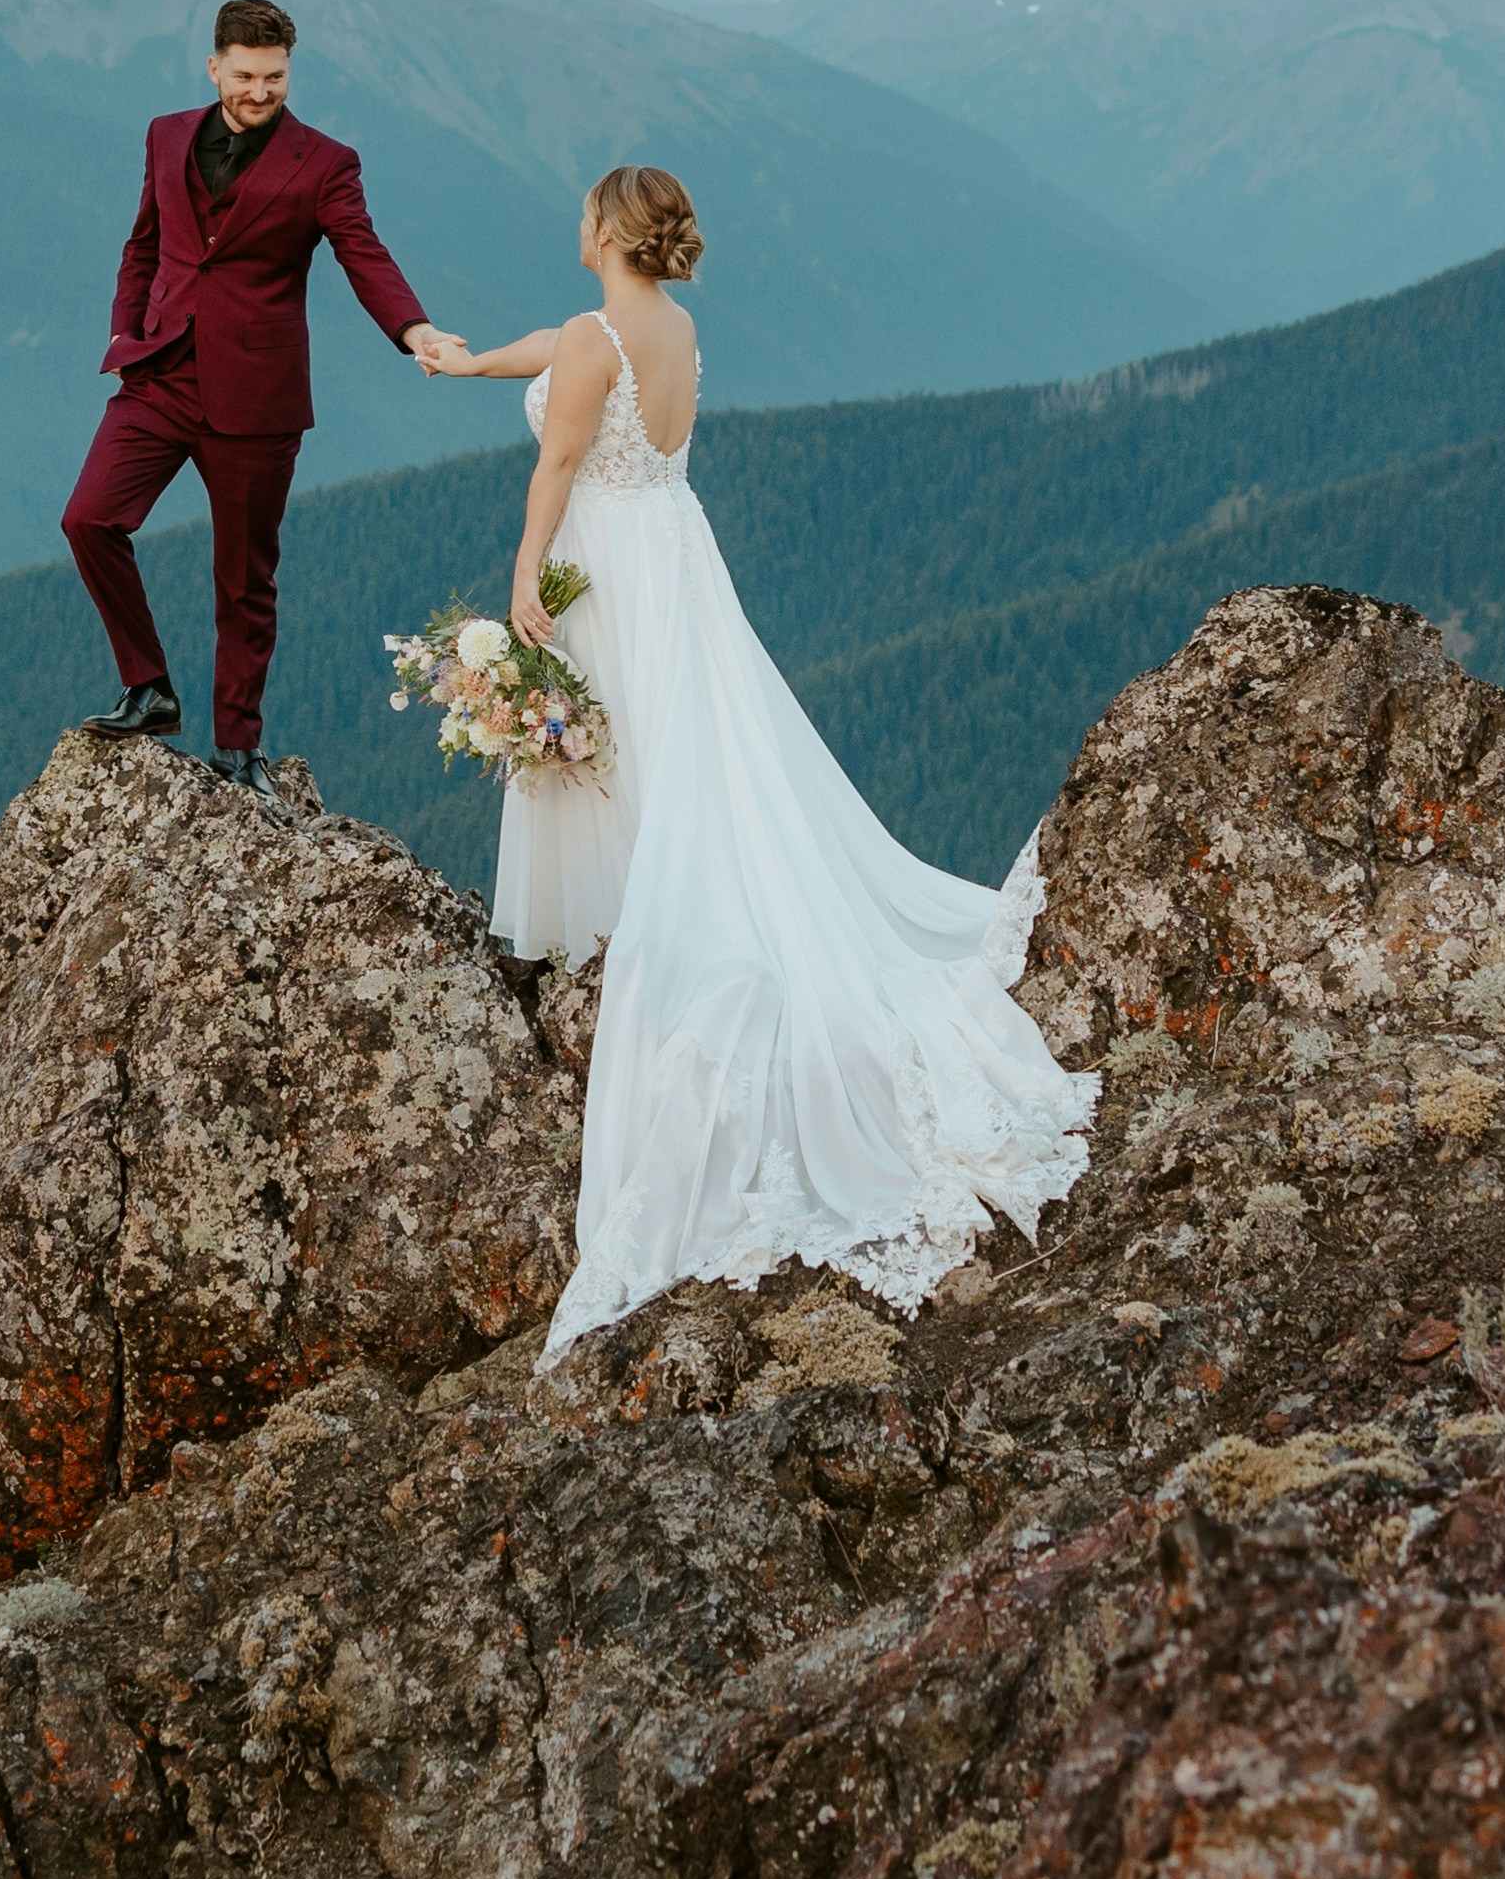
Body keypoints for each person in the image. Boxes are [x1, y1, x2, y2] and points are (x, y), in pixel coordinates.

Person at [423, 165, 1092, 1356]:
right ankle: (658, 905)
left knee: (629, 741)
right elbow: (558, 356)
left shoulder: (595, 336)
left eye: (587, 213)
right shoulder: (666, 326)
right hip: (676, 551)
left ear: (609, 232)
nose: (575, 226)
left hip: (611, 565)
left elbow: (560, 462)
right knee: (693, 746)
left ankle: (649, 929)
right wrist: (467, 360)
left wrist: (525, 574)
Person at [65, 0, 464, 785]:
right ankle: (148, 688)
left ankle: (238, 745)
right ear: (214, 67)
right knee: (88, 519)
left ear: (290, 70)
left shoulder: (324, 162)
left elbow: (363, 253)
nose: (259, 91)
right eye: (245, 75)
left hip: (257, 397)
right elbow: (142, 244)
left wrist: (414, 330)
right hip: (159, 374)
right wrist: (123, 335)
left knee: (243, 580)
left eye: (274, 77)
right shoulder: (166, 134)